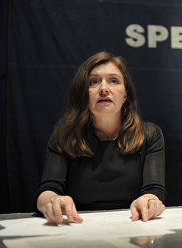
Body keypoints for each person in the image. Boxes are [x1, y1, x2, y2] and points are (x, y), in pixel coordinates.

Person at [35, 52, 166, 224]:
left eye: (113, 81)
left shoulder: (149, 134)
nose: (104, 88)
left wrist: (149, 201)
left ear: (125, 95)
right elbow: (47, 191)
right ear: (84, 94)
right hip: (77, 226)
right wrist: (53, 202)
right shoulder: (64, 135)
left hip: (134, 224)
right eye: (94, 82)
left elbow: (154, 190)